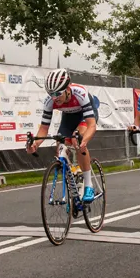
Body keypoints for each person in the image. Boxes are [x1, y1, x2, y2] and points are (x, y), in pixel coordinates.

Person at [25, 68, 99, 202]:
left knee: (77, 140)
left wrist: (84, 141)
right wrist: (35, 144)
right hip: (69, 117)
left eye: (58, 93)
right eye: (51, 94)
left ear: (67, 89)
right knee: (60, 144)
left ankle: (89, 185)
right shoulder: (49, 101)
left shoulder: (80, 93)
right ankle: (74, 173)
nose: (54, 98)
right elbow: (44, 128)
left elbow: (92, 125)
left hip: (85, 116)